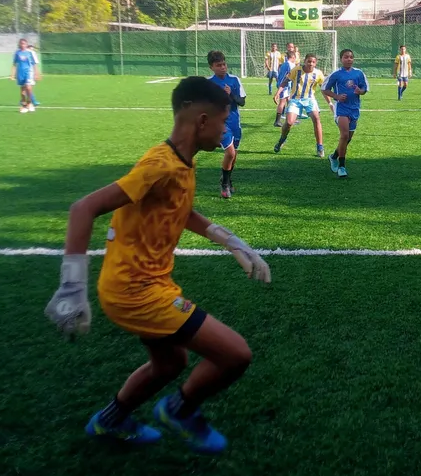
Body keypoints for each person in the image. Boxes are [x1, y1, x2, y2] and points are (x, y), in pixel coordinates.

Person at [43, 76, 270, 453]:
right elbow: (84, 208)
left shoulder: (181, 163)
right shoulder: (159, 165)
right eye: (223, 120)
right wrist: (71, 287)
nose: (226, 129)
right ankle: (179, 411)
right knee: (235, 354)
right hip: (136, 292)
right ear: (200, 121)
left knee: (169, 364)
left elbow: (179, 210)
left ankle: (109, 421)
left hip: (148, 284)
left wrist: (230, 241)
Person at [322, 49, 369, 178]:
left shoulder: (359, 73)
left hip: (354, 109)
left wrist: (361, 91)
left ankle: (333, 157)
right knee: (344, 135)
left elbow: (365, 89)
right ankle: (342, 167)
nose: (349, 59)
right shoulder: (336, 74)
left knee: (348, 138)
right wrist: (336, 96)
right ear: (341, 59)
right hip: (341, 109)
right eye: (346, 57)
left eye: (351, 57)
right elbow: (324, 89)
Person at [207, 51, 245, 199]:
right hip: (220, 124)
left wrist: (230, 95)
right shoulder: (208, 84)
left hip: (235, 122)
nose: (223, 67)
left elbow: (242, 102)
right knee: (230, 153)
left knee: (233, 154)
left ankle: (227, 180)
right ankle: (224, 186)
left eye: (224, 64)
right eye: (218, 65)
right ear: (212, 67)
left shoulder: (235, 80)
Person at [274, 53, 326, 158]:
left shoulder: (318, 74)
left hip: (310, 100)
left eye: (313, 62)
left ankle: (320, 147)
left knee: (316, 119)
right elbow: (285, 81)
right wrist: (278, 93)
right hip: (295, 100)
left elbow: (324, 88)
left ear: (315, 63)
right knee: (289, 123)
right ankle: (282, 139)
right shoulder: (296, 70)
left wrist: (329, 102)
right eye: (309, 61)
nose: (311, 64)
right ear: (305, 61)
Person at [272, 46, 300, 128]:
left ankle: (291, 118)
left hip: (284, 84)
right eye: (295, 57)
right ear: (293, 57)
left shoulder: (284, 64)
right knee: (282, 102)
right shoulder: (290, 65)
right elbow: (291, 76)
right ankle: (277, 121)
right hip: (284, 85)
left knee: (289, 100)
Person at [11, 38, 41, 113]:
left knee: (29, 88)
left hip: (28, 72)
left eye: (24, 43)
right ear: (19, 44)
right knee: (22, 92)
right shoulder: (17, 53)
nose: (23, 45)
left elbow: (34, 64)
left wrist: (36, 73)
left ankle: (29, 103)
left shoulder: (30, 53)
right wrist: (12, 74)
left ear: (26, 45)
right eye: (21, 43)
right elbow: (14, 64)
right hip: (20, 73)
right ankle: (24, 106)